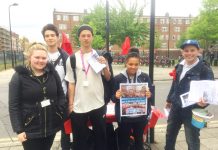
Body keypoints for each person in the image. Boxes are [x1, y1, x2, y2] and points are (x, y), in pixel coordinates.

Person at [9, 43, 67, 150]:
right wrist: (19, 130)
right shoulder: (19, 77)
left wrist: (59, 111)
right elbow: (14, 106)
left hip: (50, 126)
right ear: (29, 57)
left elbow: (61, 95)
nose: (40, 60)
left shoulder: (52, 73)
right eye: (37, 57)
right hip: (30, 128)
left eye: (43, 58)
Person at [65, 24, 111, 150]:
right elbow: (71, 83)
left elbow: (108, 77)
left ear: (92, 38)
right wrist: (70, 104)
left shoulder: (99, 56)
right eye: (83, 36)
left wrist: (105, 65)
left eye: (88, 35)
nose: (86, 38)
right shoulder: (72, 59)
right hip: (79, 105)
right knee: (80, 139)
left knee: (100, 137)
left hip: (98, 103)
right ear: (79, 38)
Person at [165, 39, 214, 150]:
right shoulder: (179, 66)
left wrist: (203, 104)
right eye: (186, 50)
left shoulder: (204, 68)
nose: (189, 53)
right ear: (182, 52)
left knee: (192, 139)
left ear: (198, 51)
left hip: (193, 110)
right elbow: (174, 84)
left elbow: (209, 91)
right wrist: (169, 100)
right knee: (169, 136)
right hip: (176, 108)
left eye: (192, 50)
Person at [112, 47, 152, 150]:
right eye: (130, 64)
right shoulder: (118, 78)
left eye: (136, 64)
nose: (133, 67)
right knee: (123, 141)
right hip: (124, 118)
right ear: (126, 63)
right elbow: (112, 98)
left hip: (140, 116)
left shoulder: (145, 77)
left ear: (139, 64)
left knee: (139, 141)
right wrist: (116, 96)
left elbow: (151, 96)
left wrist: (149, 95)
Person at [41, 23, 71, 150]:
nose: (50, 38)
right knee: (46, 129)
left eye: (52, 35)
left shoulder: (66, 57)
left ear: (58, 37)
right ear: (44, 38)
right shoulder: (40, 56)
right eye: (47, 36)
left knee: (65, 130)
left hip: (62, 99)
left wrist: (70, 101)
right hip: (45, 100)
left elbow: (70, 80)